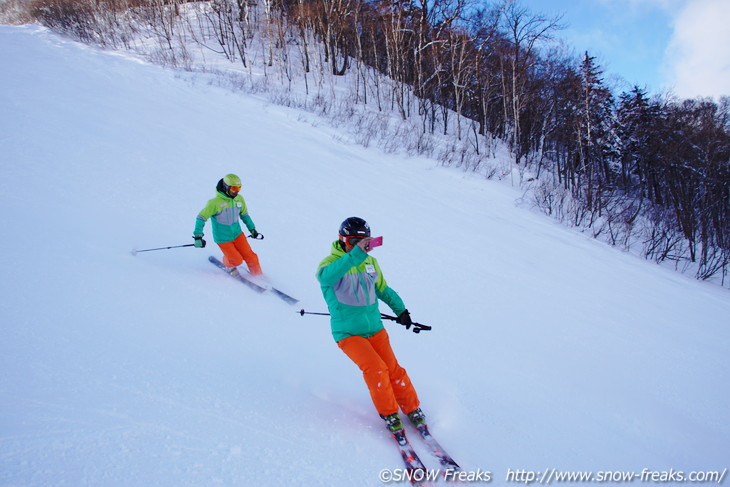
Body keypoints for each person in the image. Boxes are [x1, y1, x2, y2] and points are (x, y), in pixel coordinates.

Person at [316, 216, 426, 434]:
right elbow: (325, 279)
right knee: (376, 369)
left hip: (375, 329)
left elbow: (383, 289)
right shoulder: (329, 264)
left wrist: (401, 310)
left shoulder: (370, 263)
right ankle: (389, 413)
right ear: (342, 239)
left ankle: (412, 408)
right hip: (348, 333)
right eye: (353, 241)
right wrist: (357, 253)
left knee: (393, 369)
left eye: (363, 241)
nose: (358, 245)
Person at [193, 173, 263, 276]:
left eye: (239, 188)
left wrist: (252, 230)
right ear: (226, 187)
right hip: (223, 238)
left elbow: (245, 215)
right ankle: (228, 263)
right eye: (234, 189)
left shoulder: (239, 199)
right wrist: (198, 237)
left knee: (251, 257)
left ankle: (259, 277)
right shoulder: (214, 203)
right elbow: (201, 218)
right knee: (237, 260)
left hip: (237, 234)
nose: (237, 191)